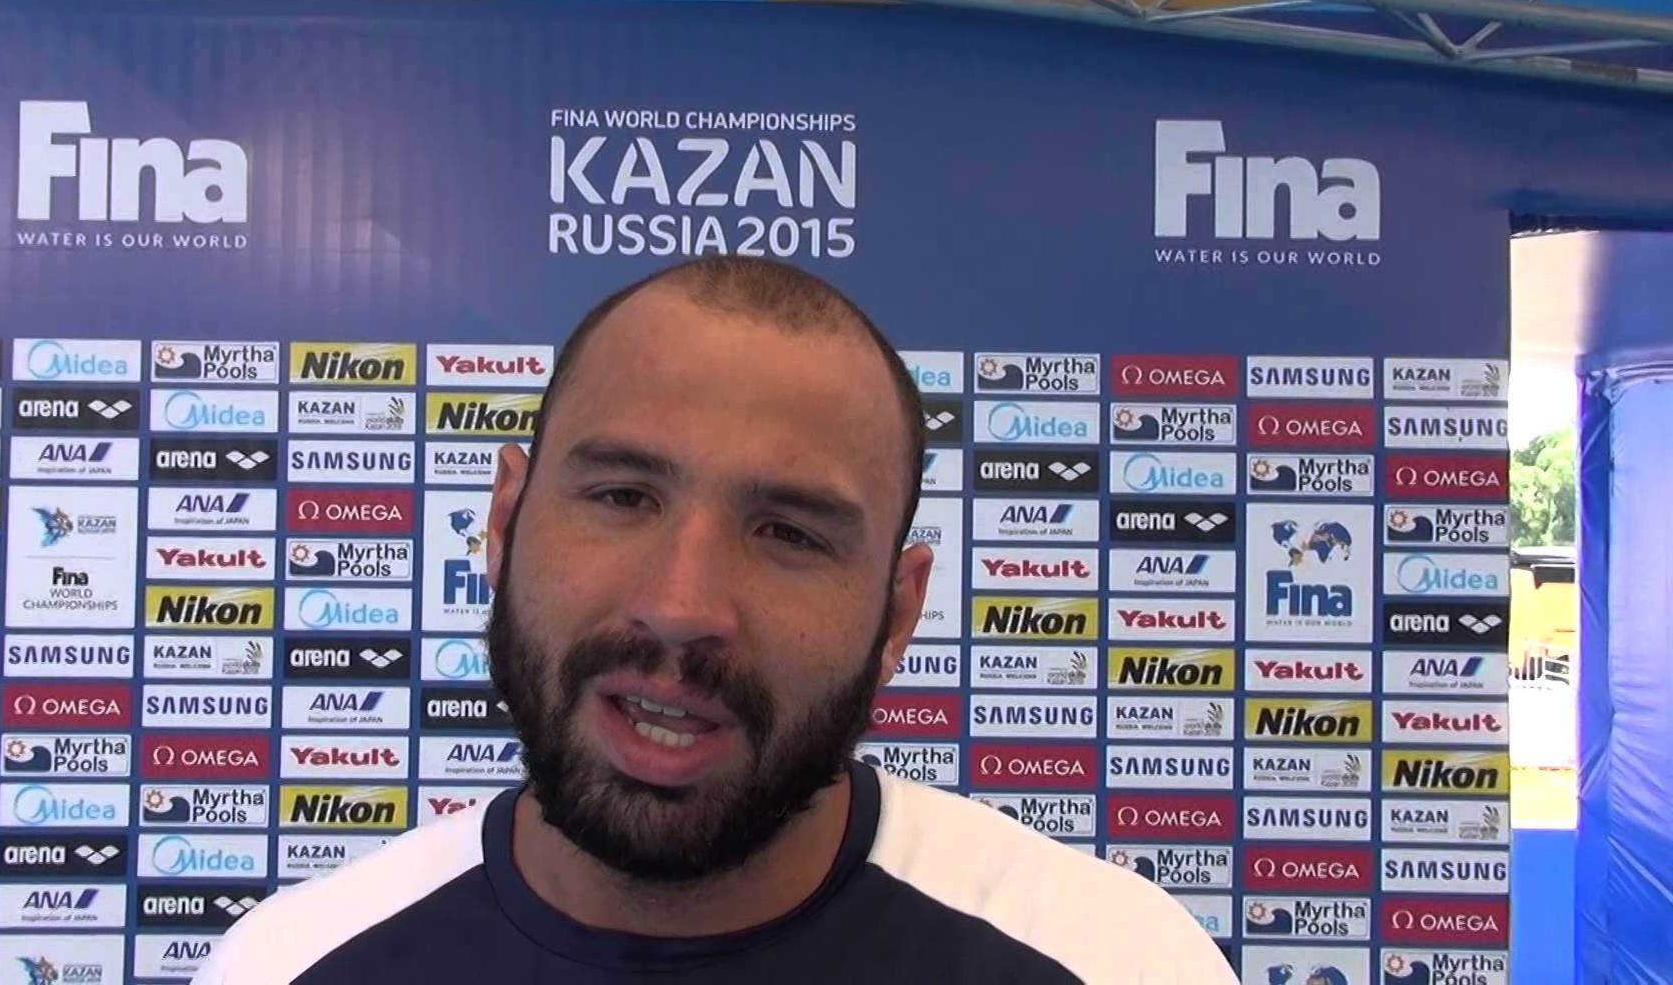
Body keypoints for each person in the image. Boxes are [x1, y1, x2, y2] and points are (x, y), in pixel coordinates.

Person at [192, 255, 1239, 984]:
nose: (682, 606)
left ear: (897, 615)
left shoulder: (1117, 966)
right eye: (622, 496)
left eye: (788, 533)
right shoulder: (286, 968)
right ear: (504, 525)